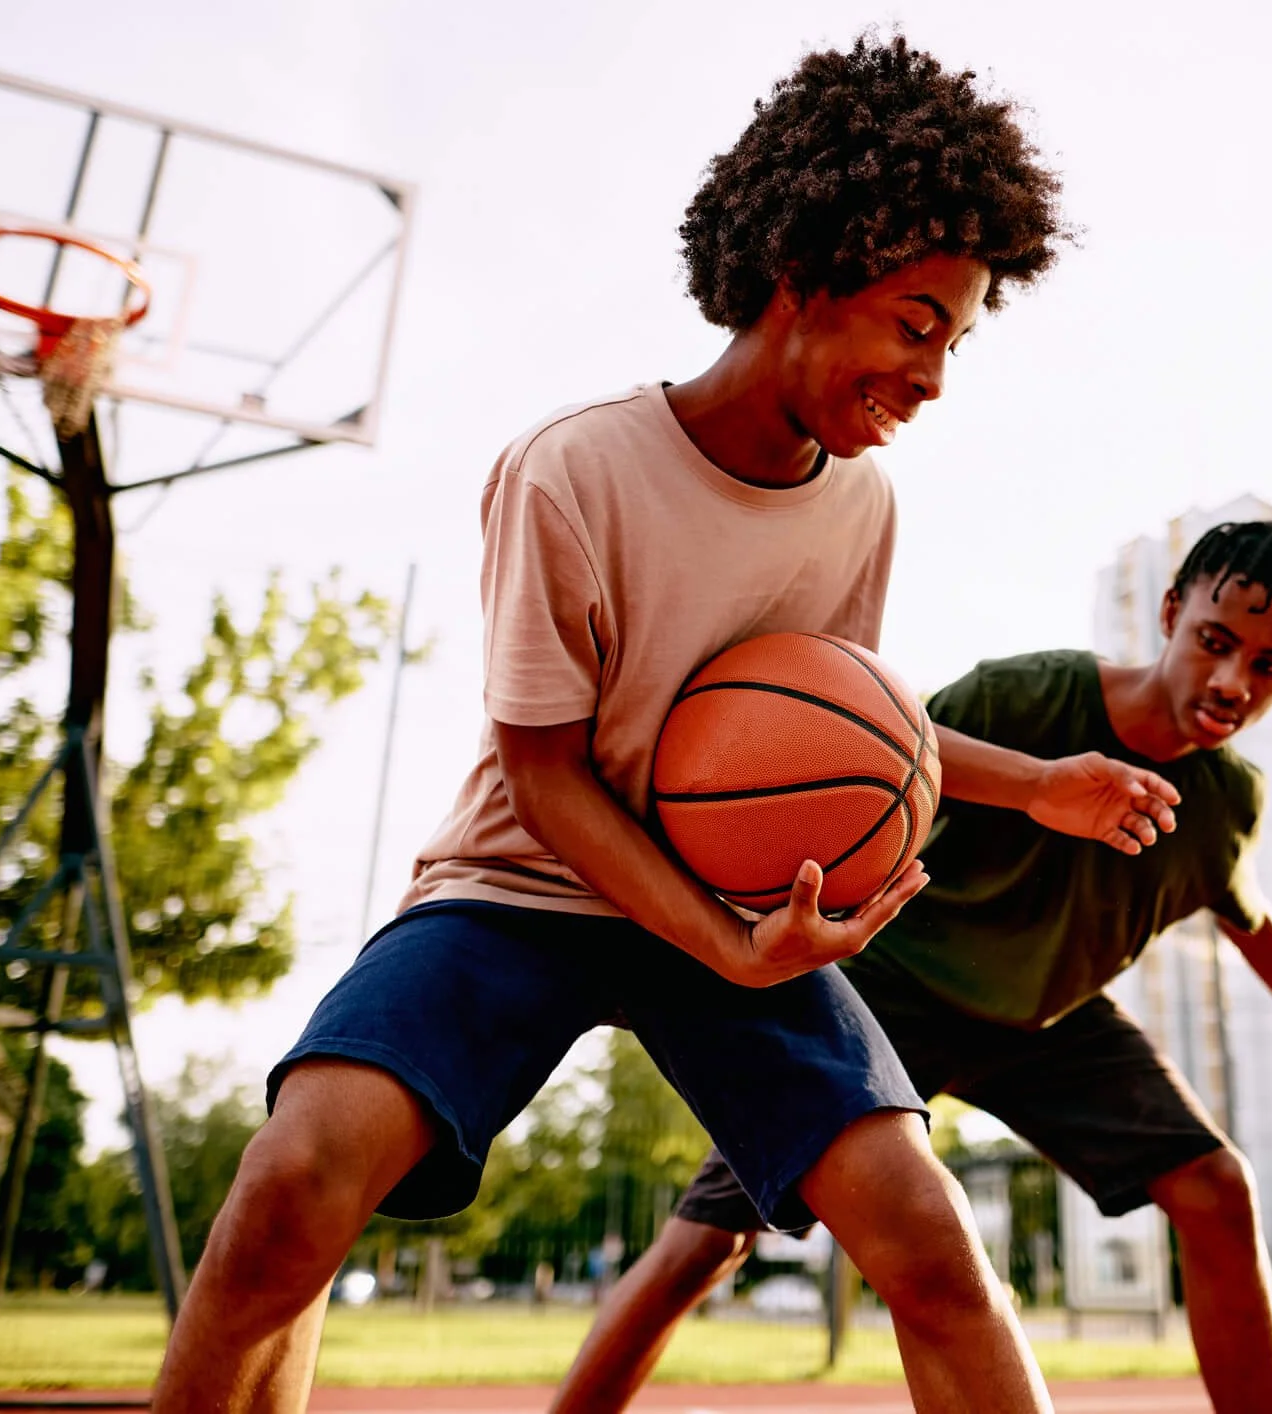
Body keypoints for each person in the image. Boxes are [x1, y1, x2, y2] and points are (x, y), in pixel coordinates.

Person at [152, 34, 1177, 1414]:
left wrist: (1035, 781)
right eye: (916, 320)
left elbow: (842, 739)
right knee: (286, 1188)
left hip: (734, 904)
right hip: (525, 881)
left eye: (957, 339)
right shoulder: (574, 469)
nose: (936, 374)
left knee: (932, 1242)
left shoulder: (859, 507)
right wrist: (719, 941)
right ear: (802, 273)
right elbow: (547, 770)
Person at [552, 522, 1272, 1414]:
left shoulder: (1228, 802)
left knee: (1220, 1190)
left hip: (1049, 1023)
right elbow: (879, 743)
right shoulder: (1030, 694)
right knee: (709, 1241)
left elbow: (1247, 916)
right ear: (1173, 613)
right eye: (1216, 644)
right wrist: (1036, 781)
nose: (1232, 682)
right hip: (890, 993)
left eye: (1267, 665)